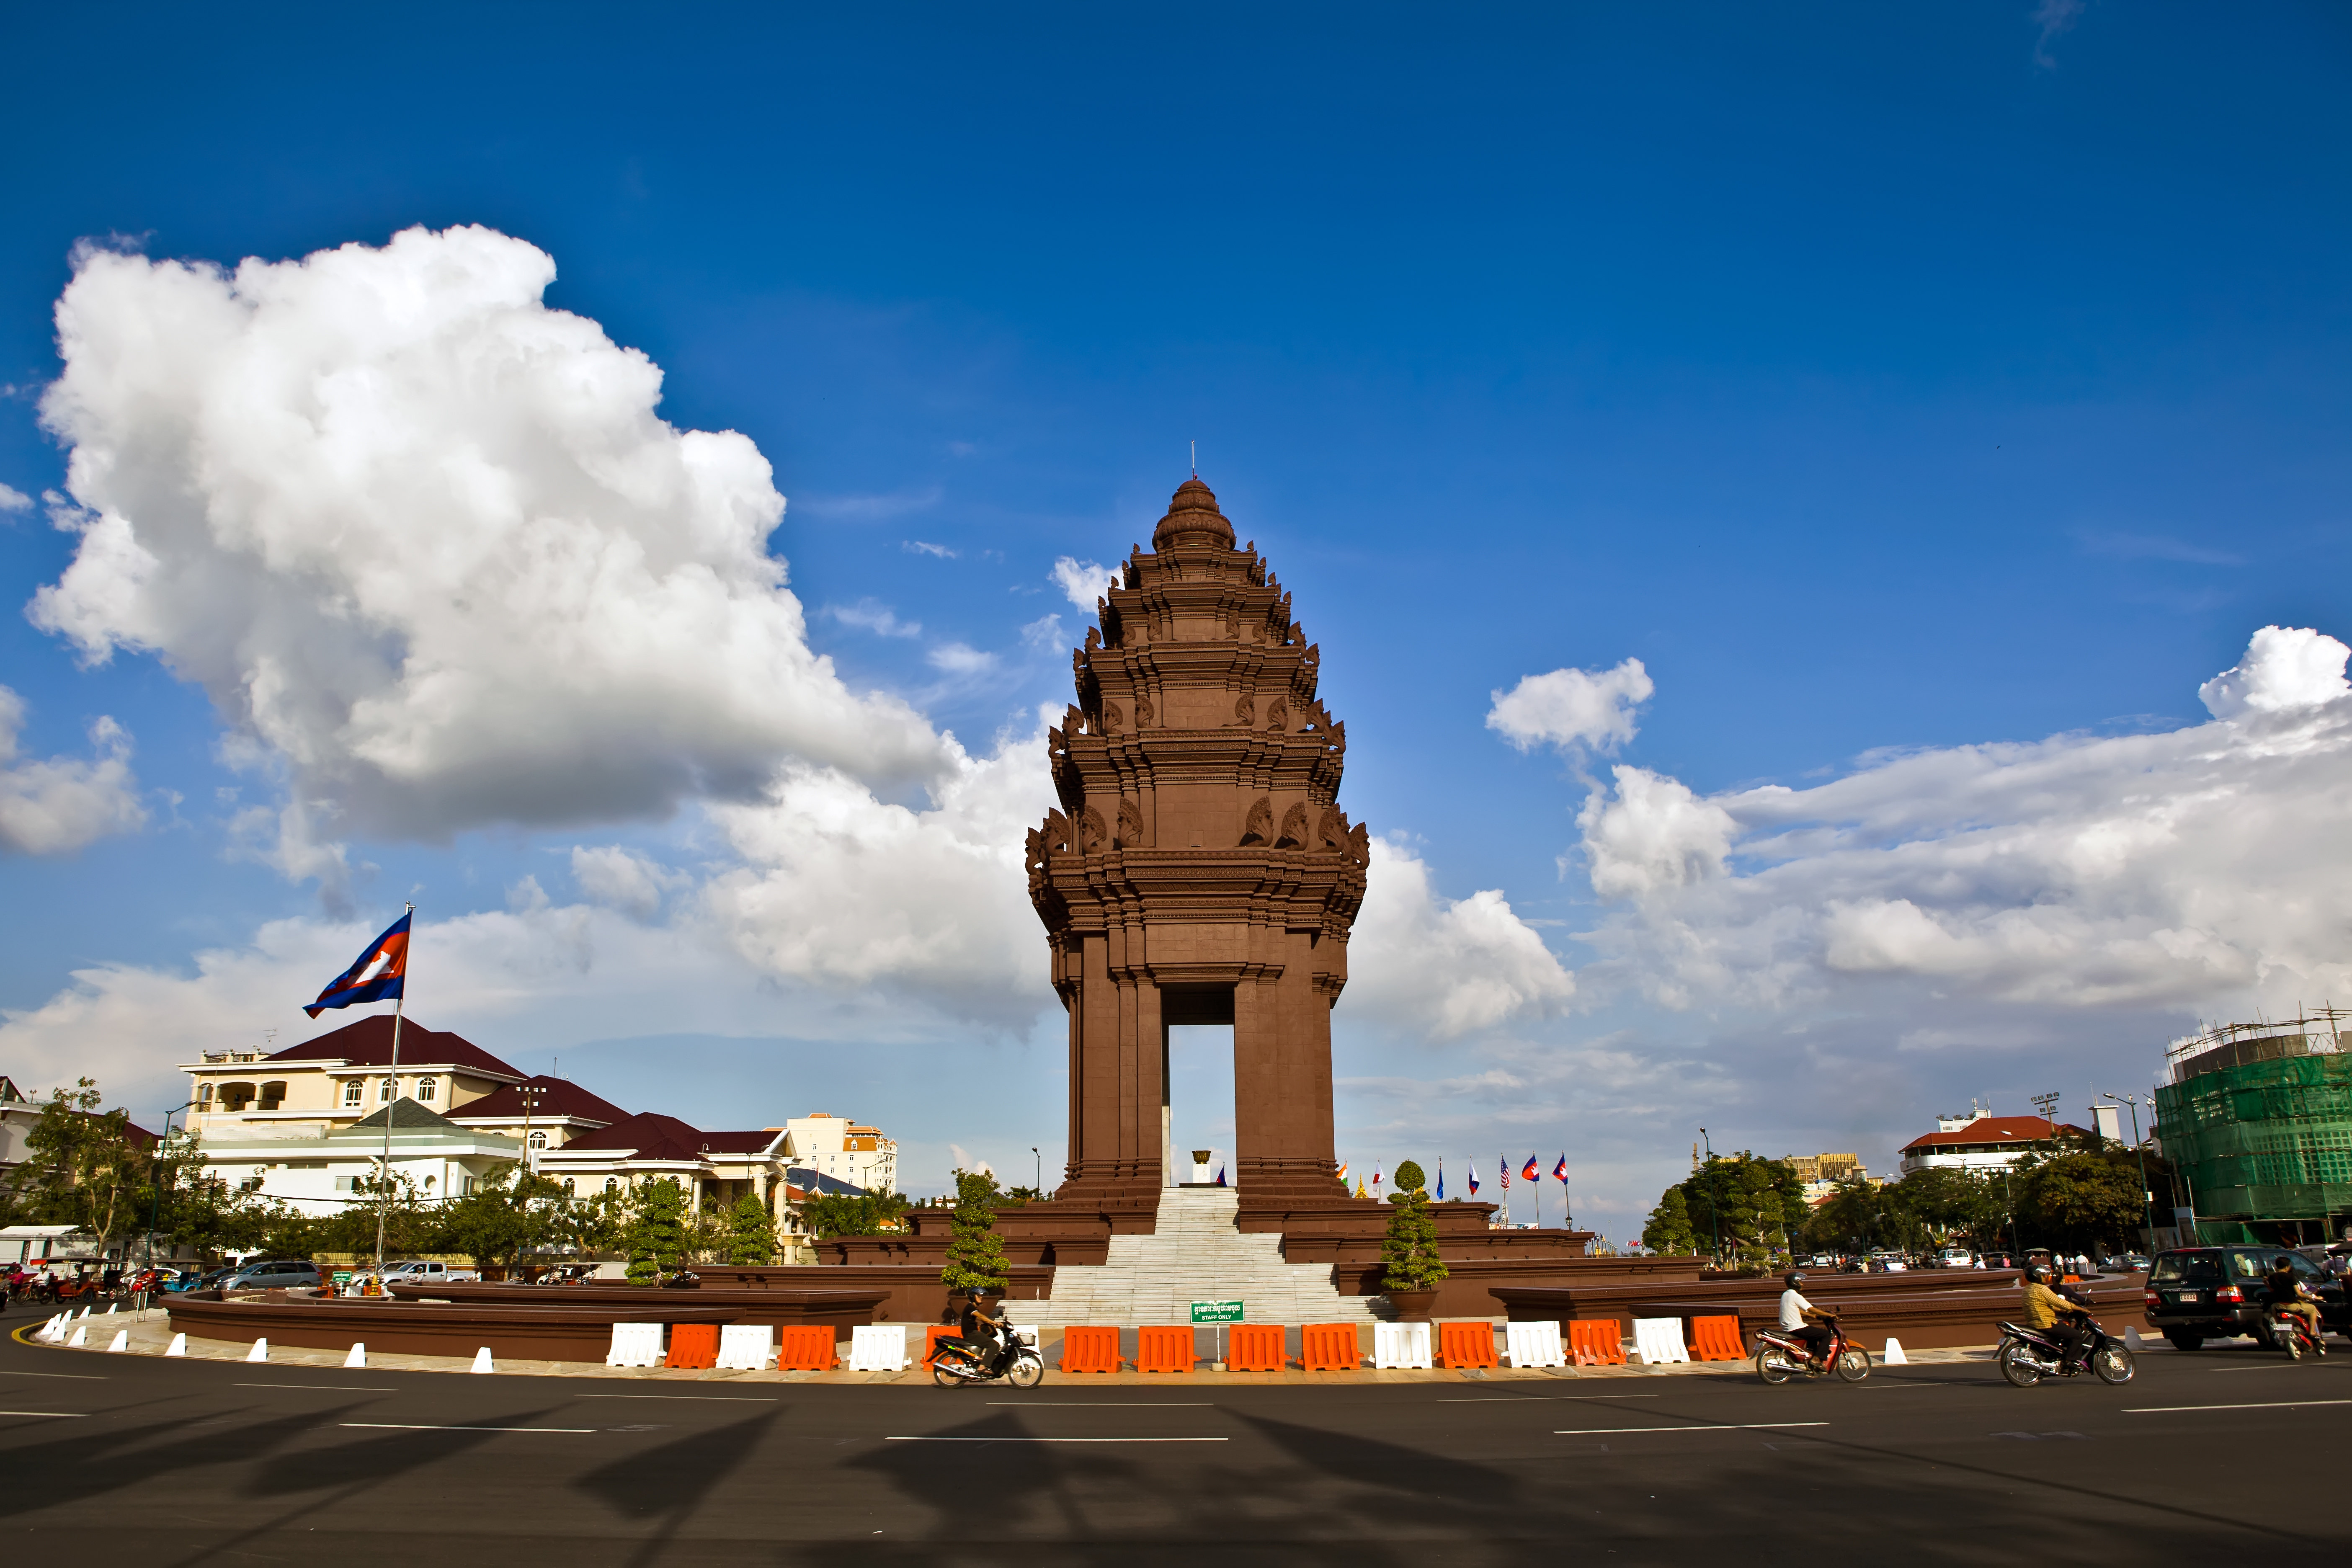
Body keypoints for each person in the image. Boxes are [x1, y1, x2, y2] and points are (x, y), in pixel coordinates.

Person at [2019, 1263, 2090, 1368]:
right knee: (2077, 1336)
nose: (2045, 1278)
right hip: (2046, 1323)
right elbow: (2059, 1302)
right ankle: (2070, 1361)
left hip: (2034, 1323)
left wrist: (2061, 1310)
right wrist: (2080, 1309)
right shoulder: (2042, 1289)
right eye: (2043, 1276)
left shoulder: (2027, 1289)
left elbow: (2043, 1304)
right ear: (2037, 1276)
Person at [1778, 1271, 1835, 1368]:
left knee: (1812, 1331)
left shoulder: (1786, 1294)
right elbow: (1811, 1309)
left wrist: (1813, 1316)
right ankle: (1816, 1360)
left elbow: (1798, 1310)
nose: (1802, 1284)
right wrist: (1829, 1315)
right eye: (1800, 1282)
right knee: (1825, 1335)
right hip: (1796, 1328)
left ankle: (1810, 1354)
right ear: (1795, 1283)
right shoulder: (1796, 1296)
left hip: (1789, 1327)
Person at [2264, 1255, 2322, 1344]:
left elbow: (2272, 1290)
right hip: (2292, 1306)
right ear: (2287, 1267)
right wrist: (2311, 1297)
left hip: (2278, 1306)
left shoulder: (2272, 1277)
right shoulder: (2290, 1277)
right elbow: (2299, 1294)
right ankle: (2312, 1332)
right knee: (2313, 1309)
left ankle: (2279, 1327)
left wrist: (2266, 1284)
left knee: (2273, 1307)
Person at [958, 1292, 1012, 1373]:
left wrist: (996, 1325)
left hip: (973, 1333)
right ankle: (982, 1367)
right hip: (971, 1334)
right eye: (979, 1296)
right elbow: (981, 1317)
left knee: (990, 1341)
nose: (981, 1298)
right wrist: (994, 1323)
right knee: (994, 1345)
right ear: (973, 1297)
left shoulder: (973, 1308)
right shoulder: (970, 1307)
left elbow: (984, 1320)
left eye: (982, 1296)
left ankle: (983, 1362)